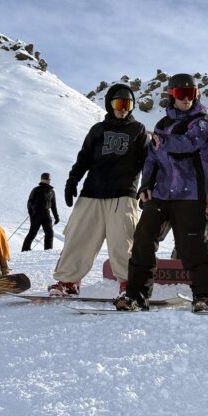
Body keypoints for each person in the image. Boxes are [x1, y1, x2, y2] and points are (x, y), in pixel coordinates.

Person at [115, 73, 208, 312]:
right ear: (172, 95)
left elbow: (191, 144)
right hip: (162, 194)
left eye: (191, 94)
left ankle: (206, 295)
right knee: (143, 240)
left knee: (190, 247)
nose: (187, 99)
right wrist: (145, 187)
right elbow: (151, 160)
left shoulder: (201, 121)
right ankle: (136, 296)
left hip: (190, 194)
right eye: (182, 94)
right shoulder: (162, 126)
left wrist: (164, 141)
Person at [49, 83, 148, 296]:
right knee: (78, 238)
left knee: (123, 243)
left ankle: (128, 285)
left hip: (123, 194)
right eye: (118, 103)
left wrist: (146, 186)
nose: (123, 108)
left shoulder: (138, 130)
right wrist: (72, 180)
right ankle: (68, 282)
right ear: (109, 104)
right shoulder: (98, 130)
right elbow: (84, 157)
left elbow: (147, 162)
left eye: (128, 104)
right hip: (92, 193)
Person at [21, 172, 60, 251]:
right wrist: (31, 212)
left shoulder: (52, 191)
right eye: (46, 179)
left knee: (49, 233)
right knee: (33, 233)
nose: (48, 180)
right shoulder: (36, 189)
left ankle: (48, 250)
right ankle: (25, 249)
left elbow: (53, 205)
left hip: (46, 214)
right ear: (42, 180)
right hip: (36, 214)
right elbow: (30, 202)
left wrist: (56, 217)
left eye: (48, 179)